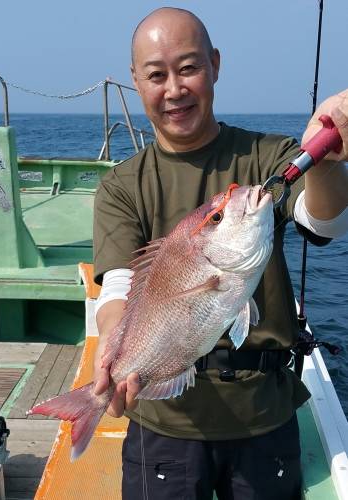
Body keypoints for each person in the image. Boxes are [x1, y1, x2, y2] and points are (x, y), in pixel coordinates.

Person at [92, 7, 348, 500]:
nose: (173, 89)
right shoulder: (122, 186)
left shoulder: (268, 156)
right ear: (136, 81)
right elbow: (122, 285)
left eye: (188, 67)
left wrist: (325, 161)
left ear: (214, 64)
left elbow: (327, 221)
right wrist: (114, 350)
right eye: (156, 74)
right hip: (164, 425)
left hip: (263, 419)